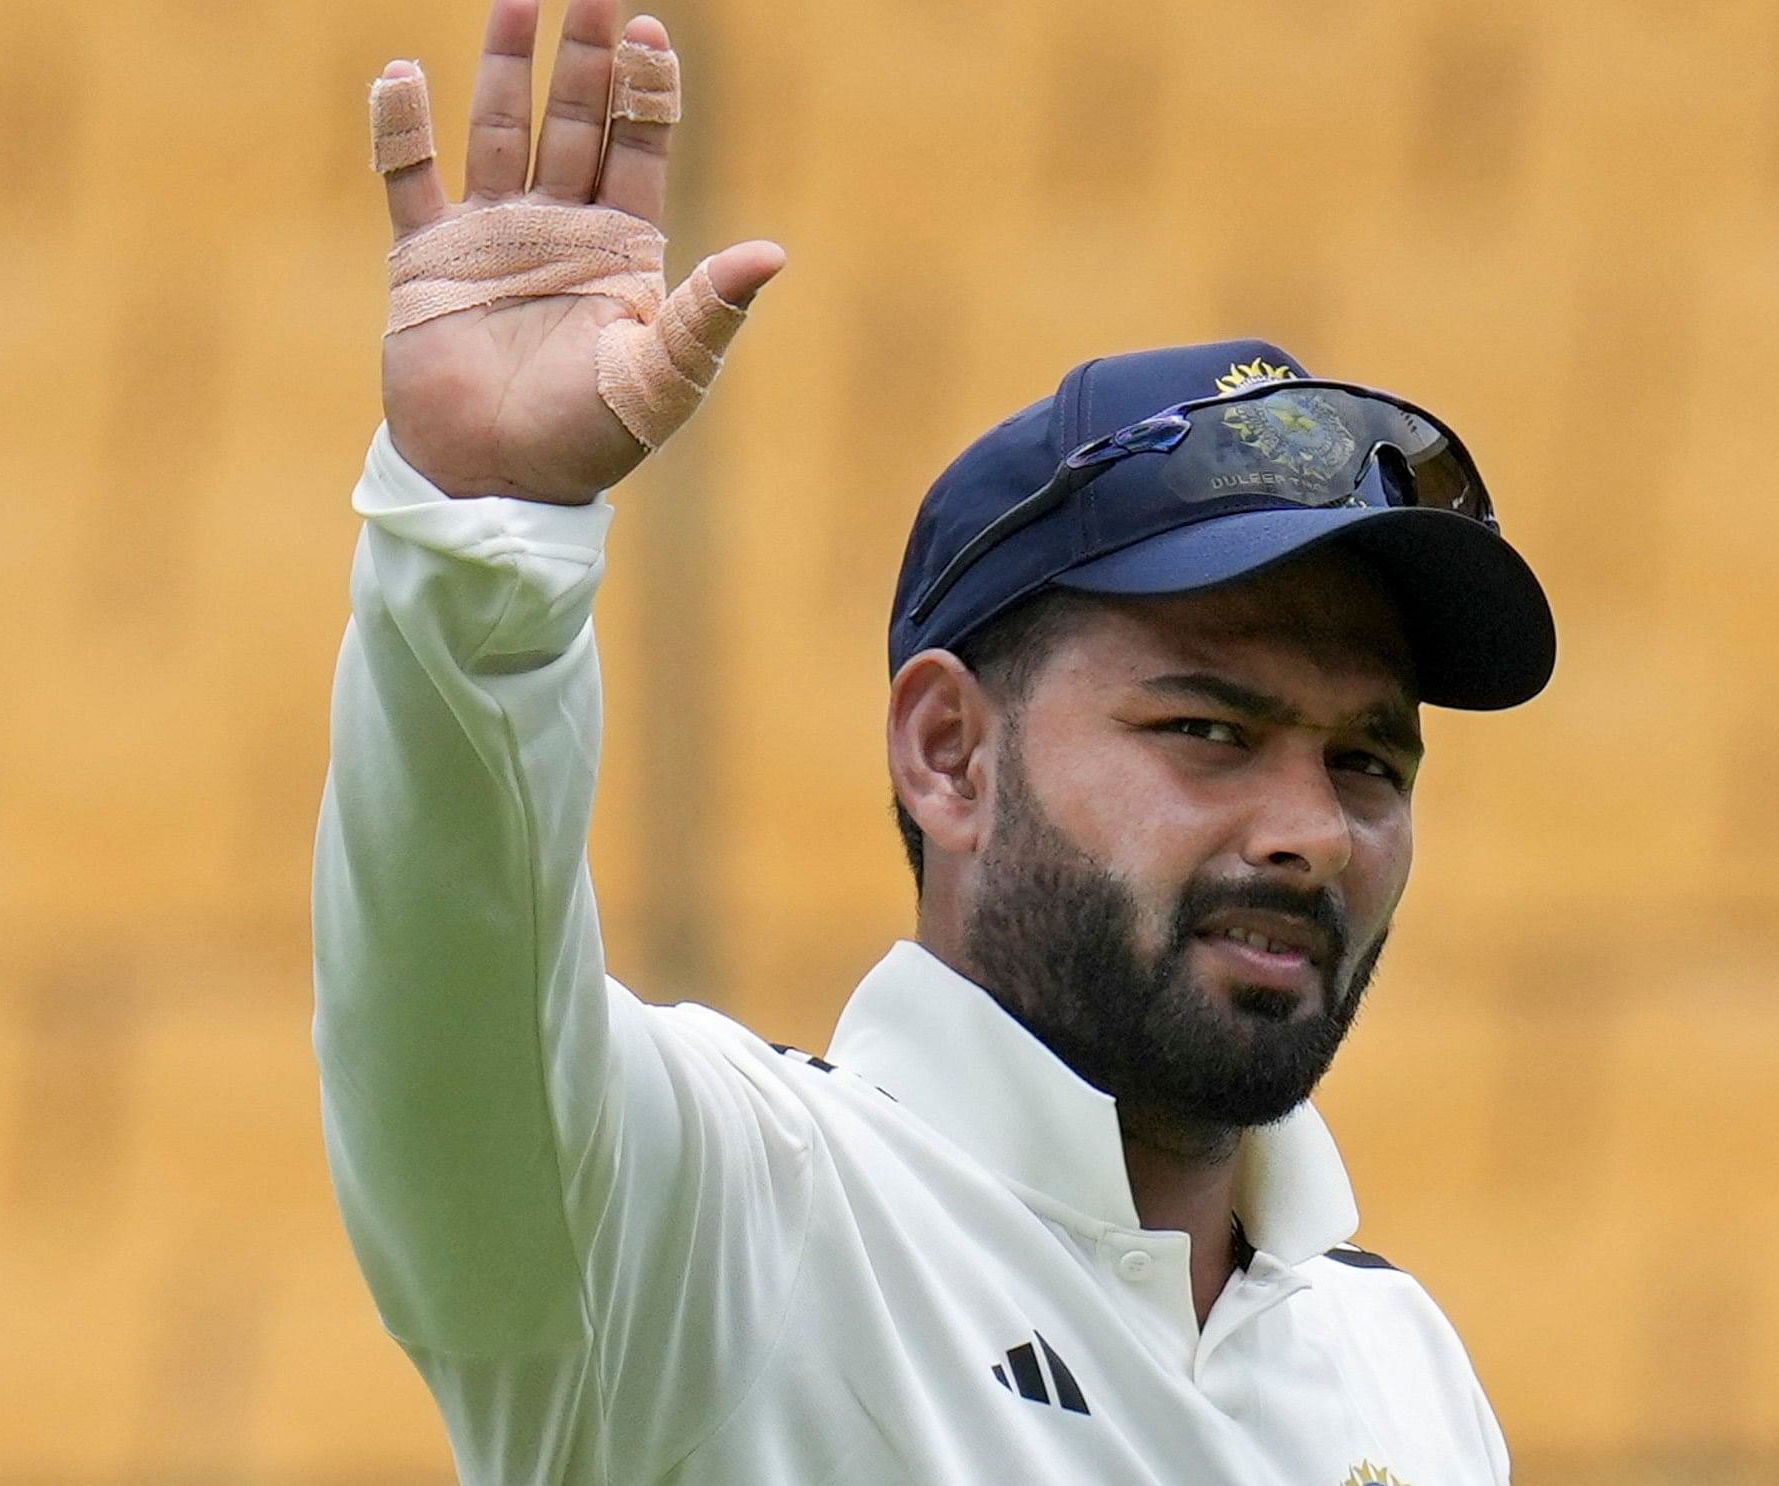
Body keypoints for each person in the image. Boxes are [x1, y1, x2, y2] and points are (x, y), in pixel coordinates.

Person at [314, 1, 1556, 1480]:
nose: (1307, 828)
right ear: (949, 754)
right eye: (1210, 729)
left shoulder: (1396, 1367)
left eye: (1367, 760)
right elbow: (449, 993)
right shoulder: (717, 1221)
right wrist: (481, 541)